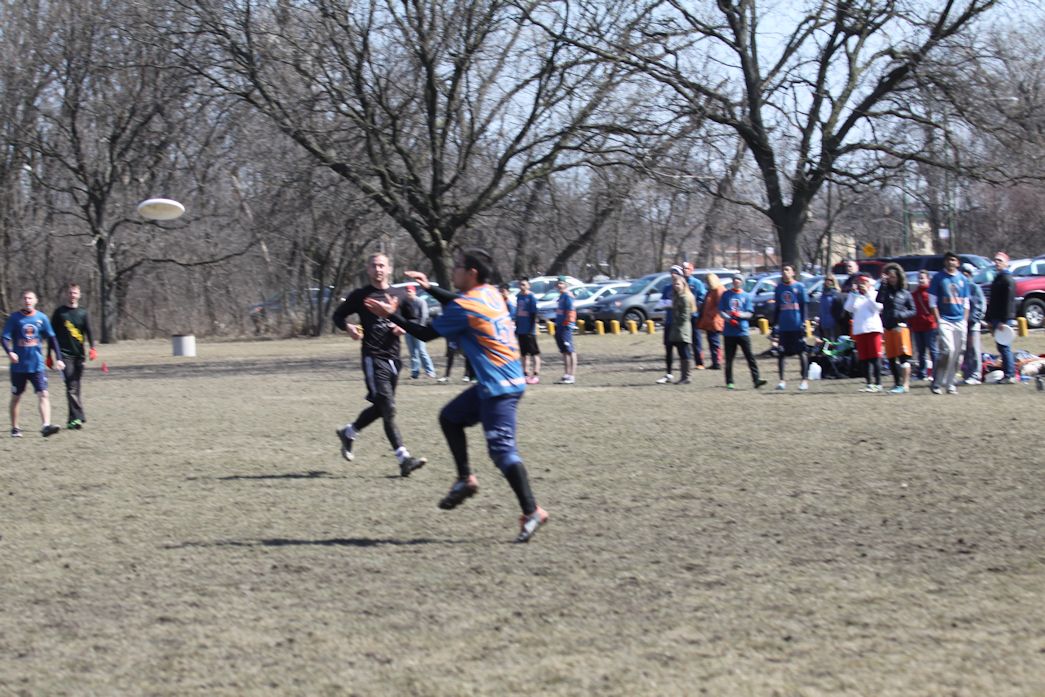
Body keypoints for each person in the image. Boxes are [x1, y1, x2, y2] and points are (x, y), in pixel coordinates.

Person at [364, 247, 548, 543]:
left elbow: (425, 334)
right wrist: (429, 287)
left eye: (458, 266)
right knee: (450, 418)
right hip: (502, 381)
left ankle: (532, 511)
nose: (453, 270)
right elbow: (458, 301)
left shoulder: (466, 307)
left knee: (502, 453)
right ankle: (465, 479)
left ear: (471, 272)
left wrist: (391, 314)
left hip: (500, 387)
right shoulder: (490, 293)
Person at [332, 252, 426, 476]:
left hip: (394, 359)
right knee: (388, 407)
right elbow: (337, 316)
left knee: (382, 407)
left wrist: (403, 327)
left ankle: (349, 432)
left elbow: (413, 319)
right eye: (374, 265)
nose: (378, 269)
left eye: (382, 265)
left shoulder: (399, 295)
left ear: (389, 269)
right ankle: (403, 458)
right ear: (368, 269)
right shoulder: (360, 295)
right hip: (373, 357)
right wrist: (348, 327)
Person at [2, 290, 65, 437]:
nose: (27, 301)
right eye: (25, 298)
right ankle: (15, 428)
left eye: (30, 298)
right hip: (19, 367)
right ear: (21, 301)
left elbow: (52, 338)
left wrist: (59, 358)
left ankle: (46, 426)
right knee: (16, 396)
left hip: (37, 365)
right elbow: (4, 338)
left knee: (44, 393)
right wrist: (9, 352)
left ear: (35, 300)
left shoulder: (41, 318)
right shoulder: (14, 318)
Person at [48, 282, 98, 429]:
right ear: (67, 294)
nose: (72, 295)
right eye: (70, 293)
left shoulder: (83, 313)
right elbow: (51, 335)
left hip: (79, 355)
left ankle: (72, 420)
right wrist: (49, 355)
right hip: (64, 355)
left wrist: (92, 348)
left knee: (75, 386)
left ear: (79, 295)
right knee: (71, 385)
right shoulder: (59, 313)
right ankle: (79, 416)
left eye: (75, 293)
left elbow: (89, 331)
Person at [928, 251, 970, 395]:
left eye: (953, 260)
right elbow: (932, 302)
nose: (950, 262)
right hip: (945, 320)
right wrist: (939, 320)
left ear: (958, 263)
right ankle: (937, 382)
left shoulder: (963, 279)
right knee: (948, 351)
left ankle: (951, 384)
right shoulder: (938, 278)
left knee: (957, 355)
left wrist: (964, 320)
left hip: (960, 321)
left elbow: (966, 303)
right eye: (948, 260)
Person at [718, 274, 766, 390]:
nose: (736, 281)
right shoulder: (726, 294)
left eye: (739, 279)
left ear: (742, 282)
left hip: (742, 332)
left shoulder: (746, 296)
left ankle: (756, 379)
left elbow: (749, 313)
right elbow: (721, 311)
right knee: (729, 358)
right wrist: (729, 319)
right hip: (729, 333)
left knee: (750, 356)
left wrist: (739, 315)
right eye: (734, 279)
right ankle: (729, 381)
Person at [877, 263, 915, 394]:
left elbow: (913, 310)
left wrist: (901, 315)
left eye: (893, 277)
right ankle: (897, 383)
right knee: (891, 357)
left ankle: (905, 384)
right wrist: (883, 284)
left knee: (903, 357)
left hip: (900, 328)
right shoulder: (886, 291)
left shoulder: (905, 293)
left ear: (899, 277)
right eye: (889, 277)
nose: (892, 279)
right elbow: (879, 299)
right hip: (888, 327)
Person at [771, 263, 809, 391]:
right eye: (783, 270)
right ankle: (782, 381)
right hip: (784, 327)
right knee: (781, 353)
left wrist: (804, 323)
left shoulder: (799, 287)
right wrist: (774, 325)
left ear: (793, 272)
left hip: (796, 326)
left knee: (801, 352)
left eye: (787, 270)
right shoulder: (779, 288)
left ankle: (804, 380)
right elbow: (777, 308)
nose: (785, 272)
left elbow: (804, 307)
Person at [845, 274, 885, 392]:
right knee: (864, 358)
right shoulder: (856, 296)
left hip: (873, 329)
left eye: (863, 283)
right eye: (859, 283)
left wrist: (867, 293)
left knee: (875, 357)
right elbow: (848, 308)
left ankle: (878, 383)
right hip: (860, 330)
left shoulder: (874, 294)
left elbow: (877, 307)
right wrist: (853, 294)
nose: (861, 285)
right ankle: (869, 383)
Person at [658, 269, 696, 384]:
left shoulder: (685, 296)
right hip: (673, 326)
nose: (673, 275)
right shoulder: (670, 291)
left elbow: (685, 315)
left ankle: (686, 377)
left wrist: (672, 307)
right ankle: (672, 375)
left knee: (684, 351)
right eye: (671, 273)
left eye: (676, 273)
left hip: (680, 327)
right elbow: (660, 304)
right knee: (673, 350)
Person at [984, 252, 1017, 384]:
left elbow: (1009, 302)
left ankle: (1010, 375)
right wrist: (989, 318)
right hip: (996, 318)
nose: (997, 262)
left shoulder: (1007, 279)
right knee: (1001, 347)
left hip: (1003, 319)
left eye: (1000, 260)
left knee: (1004, 347)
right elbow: (993, 301)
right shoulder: (998, 278)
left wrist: (1003, 321)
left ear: (1006, 263)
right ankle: (1007, 373)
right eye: (995, 260)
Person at [401, 283, 437, 380]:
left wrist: (419, 329)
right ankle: (415, 372)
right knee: (412, 352)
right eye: (406, 291)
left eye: (409, 291)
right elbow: (402, 316)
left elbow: (424, 316)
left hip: (419, 330)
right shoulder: (404, 303)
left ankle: (430, 372)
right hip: (408, 330)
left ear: (414, 292)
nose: (408, 293)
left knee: (421, 351)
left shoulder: (420, 302)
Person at [909, 269, 938, 381]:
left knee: (933, 350)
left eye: (922, 278)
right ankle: (922, 373)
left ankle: (936, 373)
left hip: (930, 326)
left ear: (928, 279)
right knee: (921, 352)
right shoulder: (914, 294)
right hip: (917, 326)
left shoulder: (931, 294)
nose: (920, 280)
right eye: (919, 278)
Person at [960, 263, 986, 385]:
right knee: (965, 351)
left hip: (972, 324)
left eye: (965, 273)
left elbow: (980, 307)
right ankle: (967, 375)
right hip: (962, 324)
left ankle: (976, 375)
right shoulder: (959, 288)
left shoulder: (974, 288)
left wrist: (973, 320)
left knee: (974, 350)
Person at [513, 278, 542, 384]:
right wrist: (517, 327)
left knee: (534, 353)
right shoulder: (519, 297)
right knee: (524, 354)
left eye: (524, 284)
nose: (522, 286)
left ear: (528, 286)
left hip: (529, 330)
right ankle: (525, 373)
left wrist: (531, 328)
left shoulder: (531, 297)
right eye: (520, 284)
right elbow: (517, 313)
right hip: (521, 329)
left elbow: (534, 314)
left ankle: (535, 374)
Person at [681, 262, 707, 368]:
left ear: (691, 270)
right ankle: (686, 361)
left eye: (686, 268)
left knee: (696, 339)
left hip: (694, 316)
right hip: (683, 317)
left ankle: (699, 362)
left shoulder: (696, 283)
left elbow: (702, 298)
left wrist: (696, 308)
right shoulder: (679, 282)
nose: (684, 270)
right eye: (683, 268)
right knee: (684, 340)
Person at [552, 277, 577, 384]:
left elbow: (571, 311)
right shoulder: (561, 296)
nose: (559, 285)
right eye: (558, 283)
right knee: (564, 351)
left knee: (570, 350)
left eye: (561, 283)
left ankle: (572, 375)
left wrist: (568, 323)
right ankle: (566, 374)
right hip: (560, 325)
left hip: (566, 326)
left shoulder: (567, 296)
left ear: (566, 284)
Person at [698, 272, 725, 369]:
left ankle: (717, 362)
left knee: (715, 342)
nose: (707, 283)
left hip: (714, 321)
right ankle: (714, 361)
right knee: (712, 342)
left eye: (708, 281)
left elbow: (720, 306)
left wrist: (710, 314)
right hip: (709, 321)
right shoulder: (710, 291)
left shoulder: (719, 290)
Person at [817, 274, 842, 340]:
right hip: (823, 321)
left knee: (833, 341)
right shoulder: (823, 293)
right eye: (826, 280)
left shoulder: (836, 293)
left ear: (834, 281)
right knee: (826, 341)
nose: (828, 281)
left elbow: (838, 310)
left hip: (833, 322)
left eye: (830, 280)